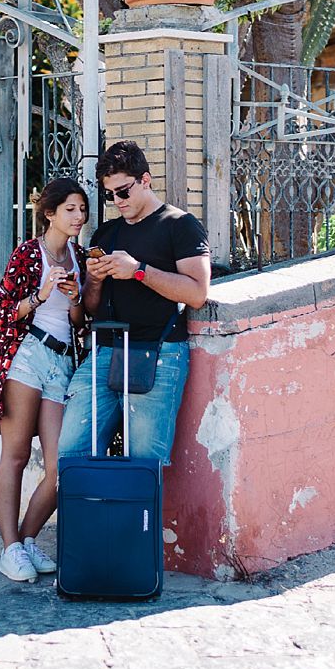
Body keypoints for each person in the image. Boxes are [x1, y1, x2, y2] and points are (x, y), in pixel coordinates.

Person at [58, 141, 211, 470]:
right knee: (71, 454)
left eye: (123, 191)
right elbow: (91, 307)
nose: (117, 201)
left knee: (144, 464)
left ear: (146, 180)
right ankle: (91, 522)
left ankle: (139, 523)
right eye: (110, 194)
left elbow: (197, 292)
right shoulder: (106, 234)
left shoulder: (179, 225)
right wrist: (94, 280)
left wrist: (139, 270)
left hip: (156, 352)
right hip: (104, 351)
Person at [0, 176, 88, 583]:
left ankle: (26, 540)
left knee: (62, 467)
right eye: (71, 209)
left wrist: (75, 298)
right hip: (27, 357)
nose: (79, 217)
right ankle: (9, 549)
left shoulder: (79, 257)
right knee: (17, 454)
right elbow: (2, 310)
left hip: (62, 363)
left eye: (82, 209)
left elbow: (77, 322)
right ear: (50, 213)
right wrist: (41, 295)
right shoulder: (28, 254)